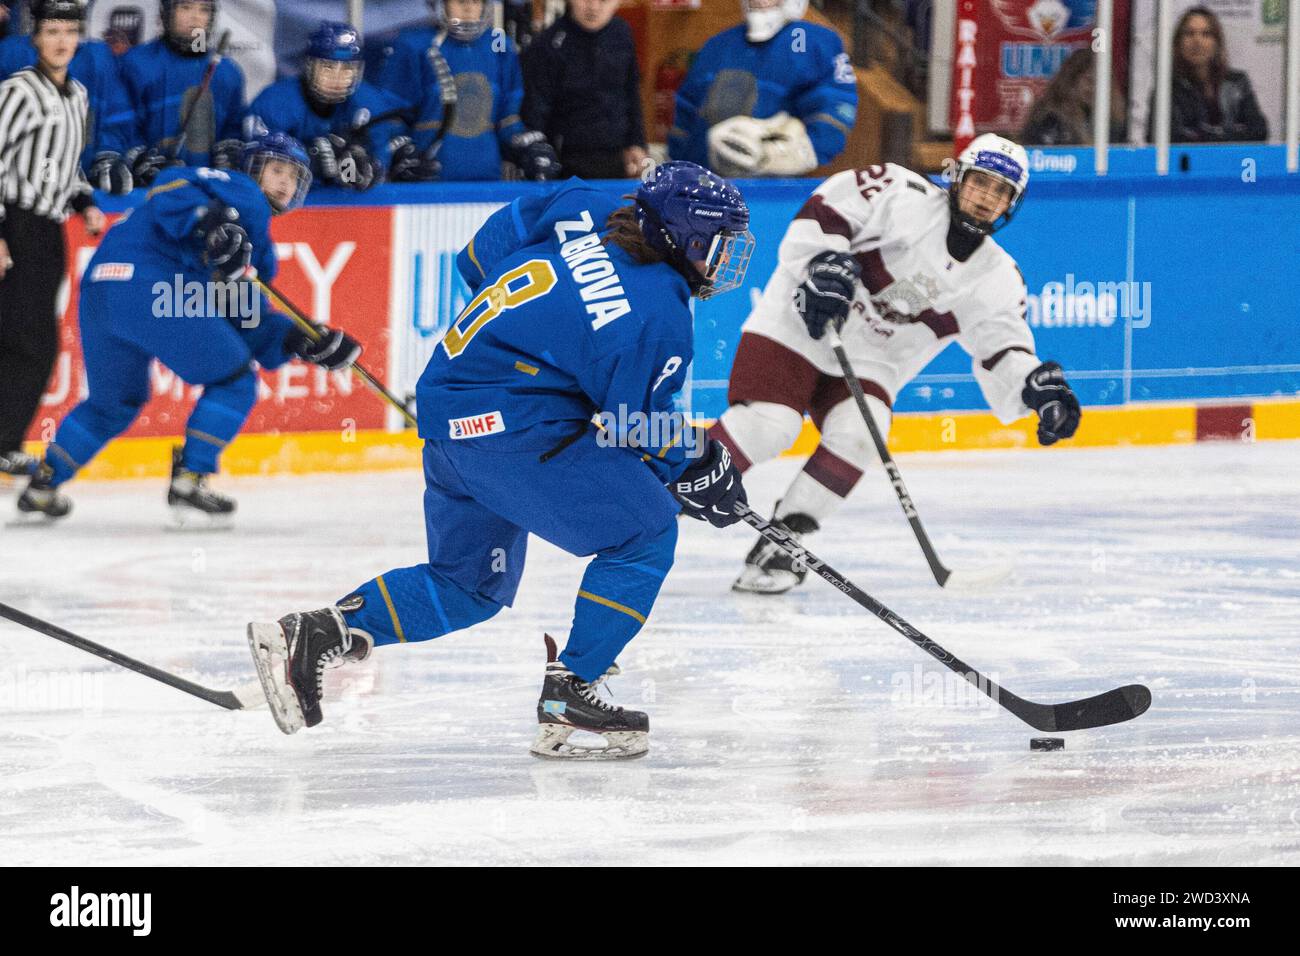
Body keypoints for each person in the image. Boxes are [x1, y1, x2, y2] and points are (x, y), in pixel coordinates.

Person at [246, 162, 755, 760]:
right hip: (512, 429)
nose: (723, 262)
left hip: (447, 407)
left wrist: (537, 342)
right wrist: (701, 464)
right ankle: (573, 691)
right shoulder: (659, 314)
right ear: (683, 237)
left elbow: (474, 260)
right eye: (717, 246)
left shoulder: (581, 201)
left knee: (468, 586)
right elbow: (635, 426)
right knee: (644, 533)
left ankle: (313, 634)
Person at [709, 134, 1082, 594]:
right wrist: (824, 263)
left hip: (871, 360)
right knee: (770, 426)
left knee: (862, 435)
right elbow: (825, 212)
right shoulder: (898, 192)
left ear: (1012, 204)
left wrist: (1036, 389)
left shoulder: (998, 277)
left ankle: (781, 544)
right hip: (800, 324)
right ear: (958, 178)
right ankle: (661, 485)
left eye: (1001, 190)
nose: (987, 197)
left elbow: (1003, 350)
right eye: (981, 182)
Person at [16, 133, 362, 522]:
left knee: (111, 403)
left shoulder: (256, 247)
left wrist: (302, 340)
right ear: (251, 168)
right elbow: (169, 184)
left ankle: (43, 483)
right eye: (276, 169)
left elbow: (246, 316)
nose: (285, 182)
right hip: (153, 289)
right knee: (234, 381)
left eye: (295, 177)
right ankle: (190, 478)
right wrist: (209, 222)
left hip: (102, 293)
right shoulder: (241, 192)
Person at [0, 0, 105, 479]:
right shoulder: (19, 92)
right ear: (35, 38)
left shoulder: (78, 95)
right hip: (15, 226)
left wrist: (85, 205)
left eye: (69, 30)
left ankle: (5, 441)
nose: (62, 40)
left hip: (47, 232)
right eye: (52, 31)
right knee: (29, 343)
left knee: (32, 341)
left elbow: (65, 168)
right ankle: (3, 442)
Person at [374, 0, 560, 181]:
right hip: (428, 184)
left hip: (488, 181)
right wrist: (401, 151)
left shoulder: (499, 43)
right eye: (461, 1)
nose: (469, 8)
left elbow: (507, 119)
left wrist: (525, 147)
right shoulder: (413, 45)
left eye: (477, 2)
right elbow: (391, 117)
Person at [669, 0, 857, 177]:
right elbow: (685, 115)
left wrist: (794, 154)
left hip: (777, 190)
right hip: (707, 185)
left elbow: (837, 107)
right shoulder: (717, 46)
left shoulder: (814, 42)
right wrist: (682, 169)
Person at [249, 21, 425, 191]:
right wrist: (307, 162)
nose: (337, 78)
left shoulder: (370, 103)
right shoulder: (275, 102)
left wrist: (371, 168)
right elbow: (254, 167)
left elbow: (378, 163)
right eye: (327, 67)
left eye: (347, 69)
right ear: (309, 66)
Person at [0, 0, 136, 192]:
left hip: (84, 185)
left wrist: (108, 153)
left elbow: (116, 118)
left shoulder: (99, 57)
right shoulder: (9, 53)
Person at [119, 0, 247, 187]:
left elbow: (234, 128)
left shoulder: (228, 72)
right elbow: (122, 126)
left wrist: (230, 152)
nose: (195, 17)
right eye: (186, 7)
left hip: (207, 190)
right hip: (149, 190)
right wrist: (139, 159)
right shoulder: (137, 64)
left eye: (203, 9)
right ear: (166, 13)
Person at [521, 0, 647, 179]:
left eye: (603, 0)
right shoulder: (548, 44)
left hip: (616, 158)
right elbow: (535, 110)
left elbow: (631, 93)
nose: (593, 7)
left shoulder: (622, 34)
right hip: (565, 162)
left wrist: (637, 143)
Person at [1146, 6, 1267, 144]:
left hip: (1234, 163)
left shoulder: (1237, 82)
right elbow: (1165, 137)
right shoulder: (1167, 89)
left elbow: (1258, 131)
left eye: (1206, 34)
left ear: (1216, 42)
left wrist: (1206, 135)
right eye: (1189, 33)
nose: (1197, 41)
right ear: (1178, 43)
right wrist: (1228, 134)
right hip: (1186, 164)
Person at [1020, 47, 1126, 147]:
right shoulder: (1050, 120)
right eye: (1090, 81)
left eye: (1102, 82)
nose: (1095, 89)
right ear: (1071, 81)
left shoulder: (1113, 122)